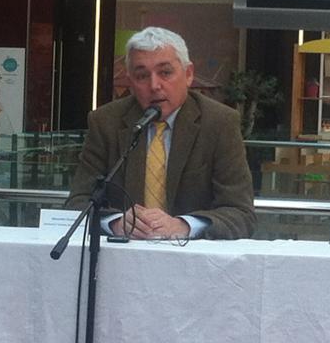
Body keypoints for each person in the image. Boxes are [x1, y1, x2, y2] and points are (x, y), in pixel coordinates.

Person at [66, 27, 256, 239]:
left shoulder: (219, 123)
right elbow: (77, 203)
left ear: (188, 74)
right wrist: (115, 223)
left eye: (165, 73)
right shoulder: (105, 122)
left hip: (192, 254)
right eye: (142, 76)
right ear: (130, 81)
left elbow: (241, 214)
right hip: (124, 252)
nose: (154, 85)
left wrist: (183, 226)